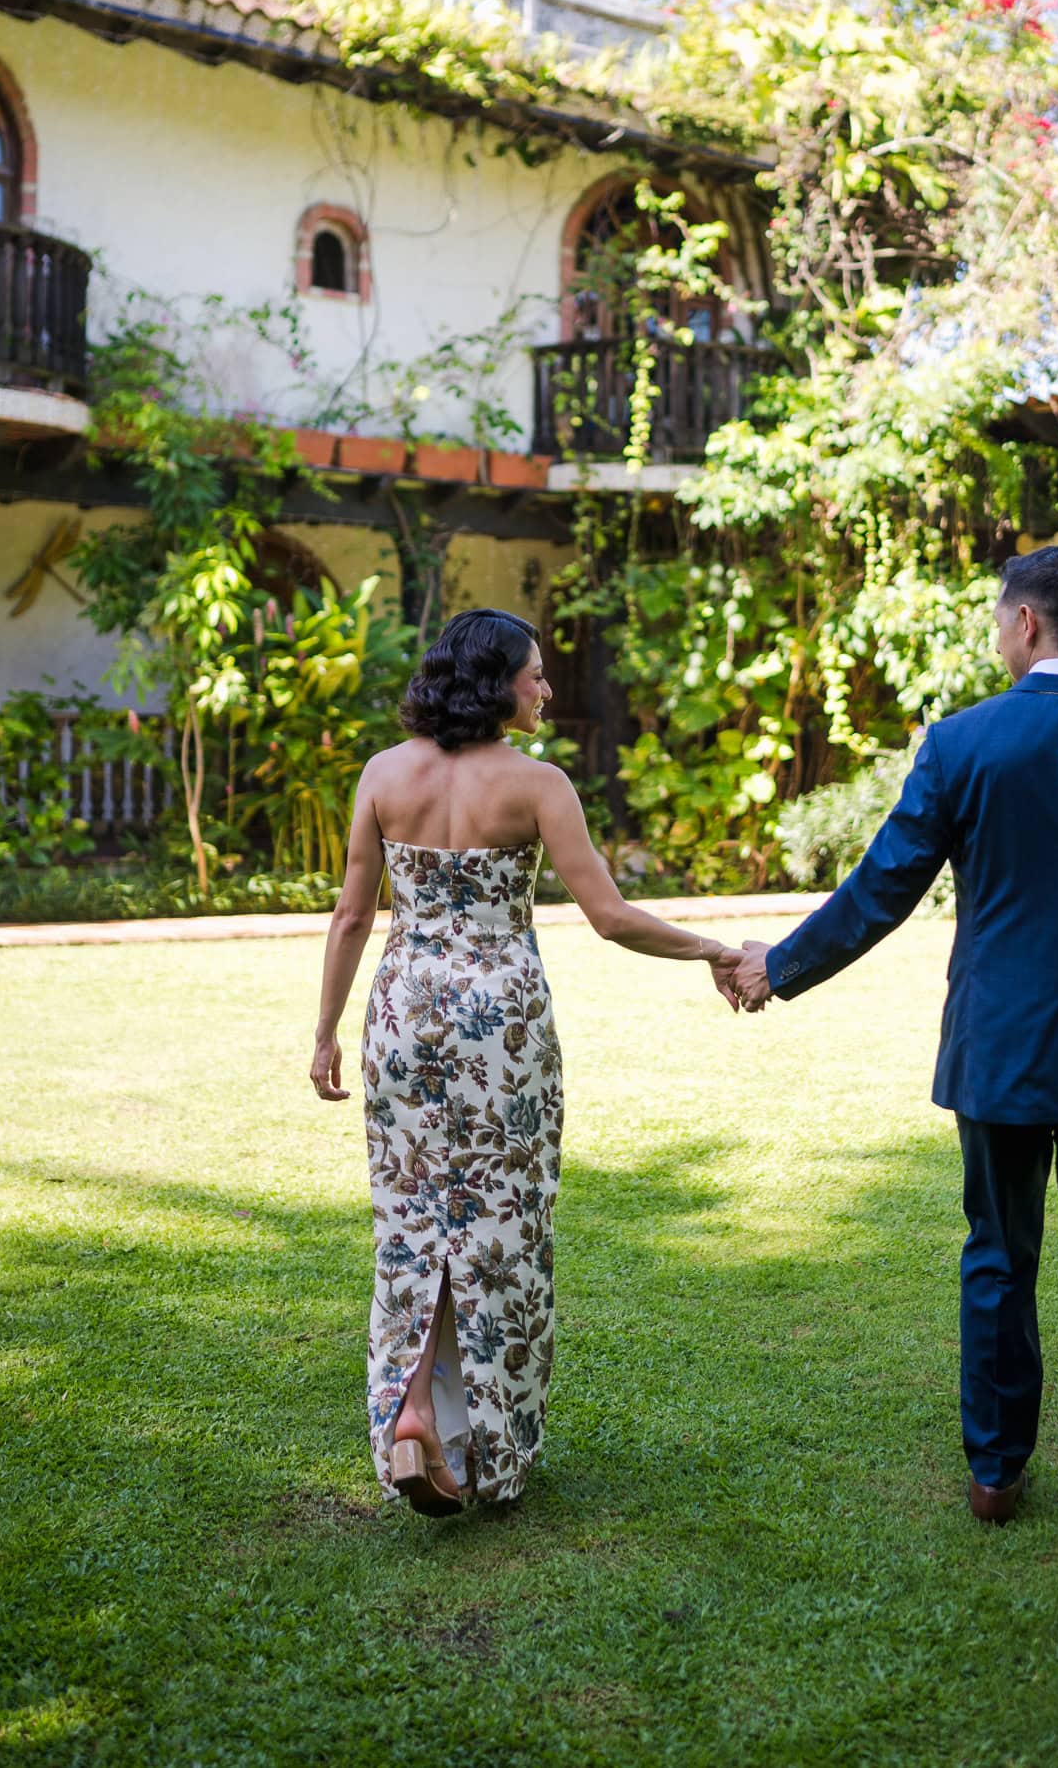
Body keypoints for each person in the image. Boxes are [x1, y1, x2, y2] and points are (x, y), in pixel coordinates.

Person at [729, 544, 1058, 1642]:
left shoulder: (963, 744)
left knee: (999, 1258)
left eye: (999, 619)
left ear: (1024, 625)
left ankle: (996, 1475)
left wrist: (780, 967)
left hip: (1001, 1057)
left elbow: (883, 889)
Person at [310, 608, 744, 1517]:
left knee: (415, 1225)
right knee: (501, 1231)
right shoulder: (538, 784)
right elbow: (613, 917)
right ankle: (487, 1449)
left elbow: (352, 916)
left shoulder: (385, 774)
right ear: (495, 681)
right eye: (535, 675)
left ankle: (416, 1411)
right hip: (500, 1031)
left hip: (405, 1015)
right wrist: (711, 949)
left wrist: (326, 1031)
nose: (546, 689)